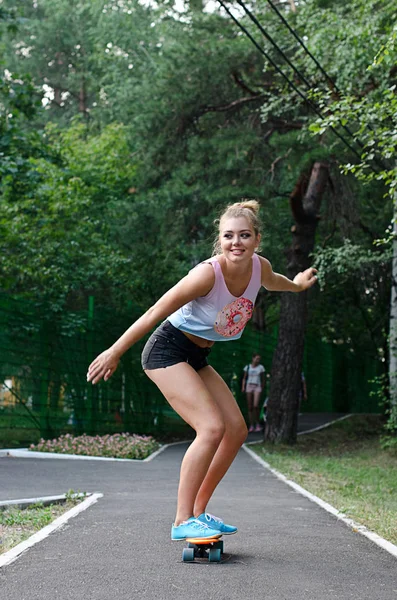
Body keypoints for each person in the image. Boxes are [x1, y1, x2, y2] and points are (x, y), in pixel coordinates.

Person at [86, 200, 317, 541]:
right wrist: (115, 351)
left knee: (236, 429)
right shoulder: (207, 274)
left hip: (196, 355)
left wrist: (297, 285)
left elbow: (276, 282)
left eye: (244, 235)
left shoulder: (259, 268)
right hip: (167, 350)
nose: (235, 242)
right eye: (228, 236)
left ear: (256, 239)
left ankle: (198, 512)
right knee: (211, 427)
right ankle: (182, 520)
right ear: (220, 240)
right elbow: (155, 312)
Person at [242, 353, 265, 433]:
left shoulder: (261, 368)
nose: (258, 360)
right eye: (257, 358)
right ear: (253, 358)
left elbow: (263, 378)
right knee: (250, 407)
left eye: (259, 359)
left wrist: (262, 387)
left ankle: (257, 423)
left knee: (255, 406)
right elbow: (244, 378)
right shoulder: (247, 367)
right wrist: (243, 386)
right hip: (249, 386)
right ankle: (251, 425)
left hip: (257, 386)